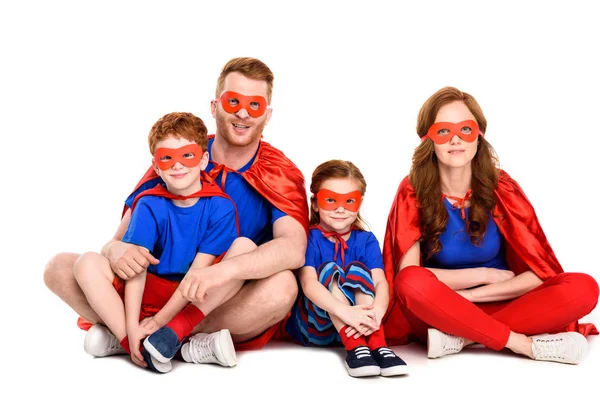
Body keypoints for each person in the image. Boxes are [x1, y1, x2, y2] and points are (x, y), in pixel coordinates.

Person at [44, 57, 309, 364]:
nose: (241, 113)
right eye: (233, 101)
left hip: (217, 297)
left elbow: (293, 249)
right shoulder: (180, 154)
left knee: (283, 287)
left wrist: (221, 271)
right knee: (60, 267)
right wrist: (116, 250)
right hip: (150, 285)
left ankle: (159, 335)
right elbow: (116, 241)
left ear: (268, 114)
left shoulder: (279, 171)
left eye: (254, 106)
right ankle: (158, 339)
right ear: (214, 107)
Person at [381, 86, 599, 364]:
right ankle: (522, 343)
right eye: (444, 131)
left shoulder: (502, 186)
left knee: (583, 286)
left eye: (466, 130)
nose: (456, 140)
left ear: (479, 136)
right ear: (428, 139)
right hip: (440, 308)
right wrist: (484, 273)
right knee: (411, 283)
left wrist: (470, 297)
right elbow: (408, 275)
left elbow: (538, 273)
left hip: (499, 303)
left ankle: (462, 338)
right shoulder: (412, 190)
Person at [74, 112, 251, 373]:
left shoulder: (220, 207)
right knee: (86, 261)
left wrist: (161, 320)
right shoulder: (148, 203)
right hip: (146, 292)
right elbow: (136, 267)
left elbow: (198, 273)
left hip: (192, 295)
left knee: (246, 249)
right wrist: (133, 326)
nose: (177, 166)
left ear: (203, 160)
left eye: (186, 156)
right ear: (156, 167)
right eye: (167, 158)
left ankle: (172, 333)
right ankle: (132, 343)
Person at [285, 160, 408, 377]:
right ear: (315, 203)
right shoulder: (309, 237)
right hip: (316, 327)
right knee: (331, 268)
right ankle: (354, 348)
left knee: (359, 268)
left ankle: (377, 344)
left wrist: (377, 314)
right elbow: (308, 284)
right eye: (330, 200)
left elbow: (380, 282)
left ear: (359, 203)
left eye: (349, 201)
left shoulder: (366, 240)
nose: (340, 209)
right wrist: (345, 312)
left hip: (363, 325)